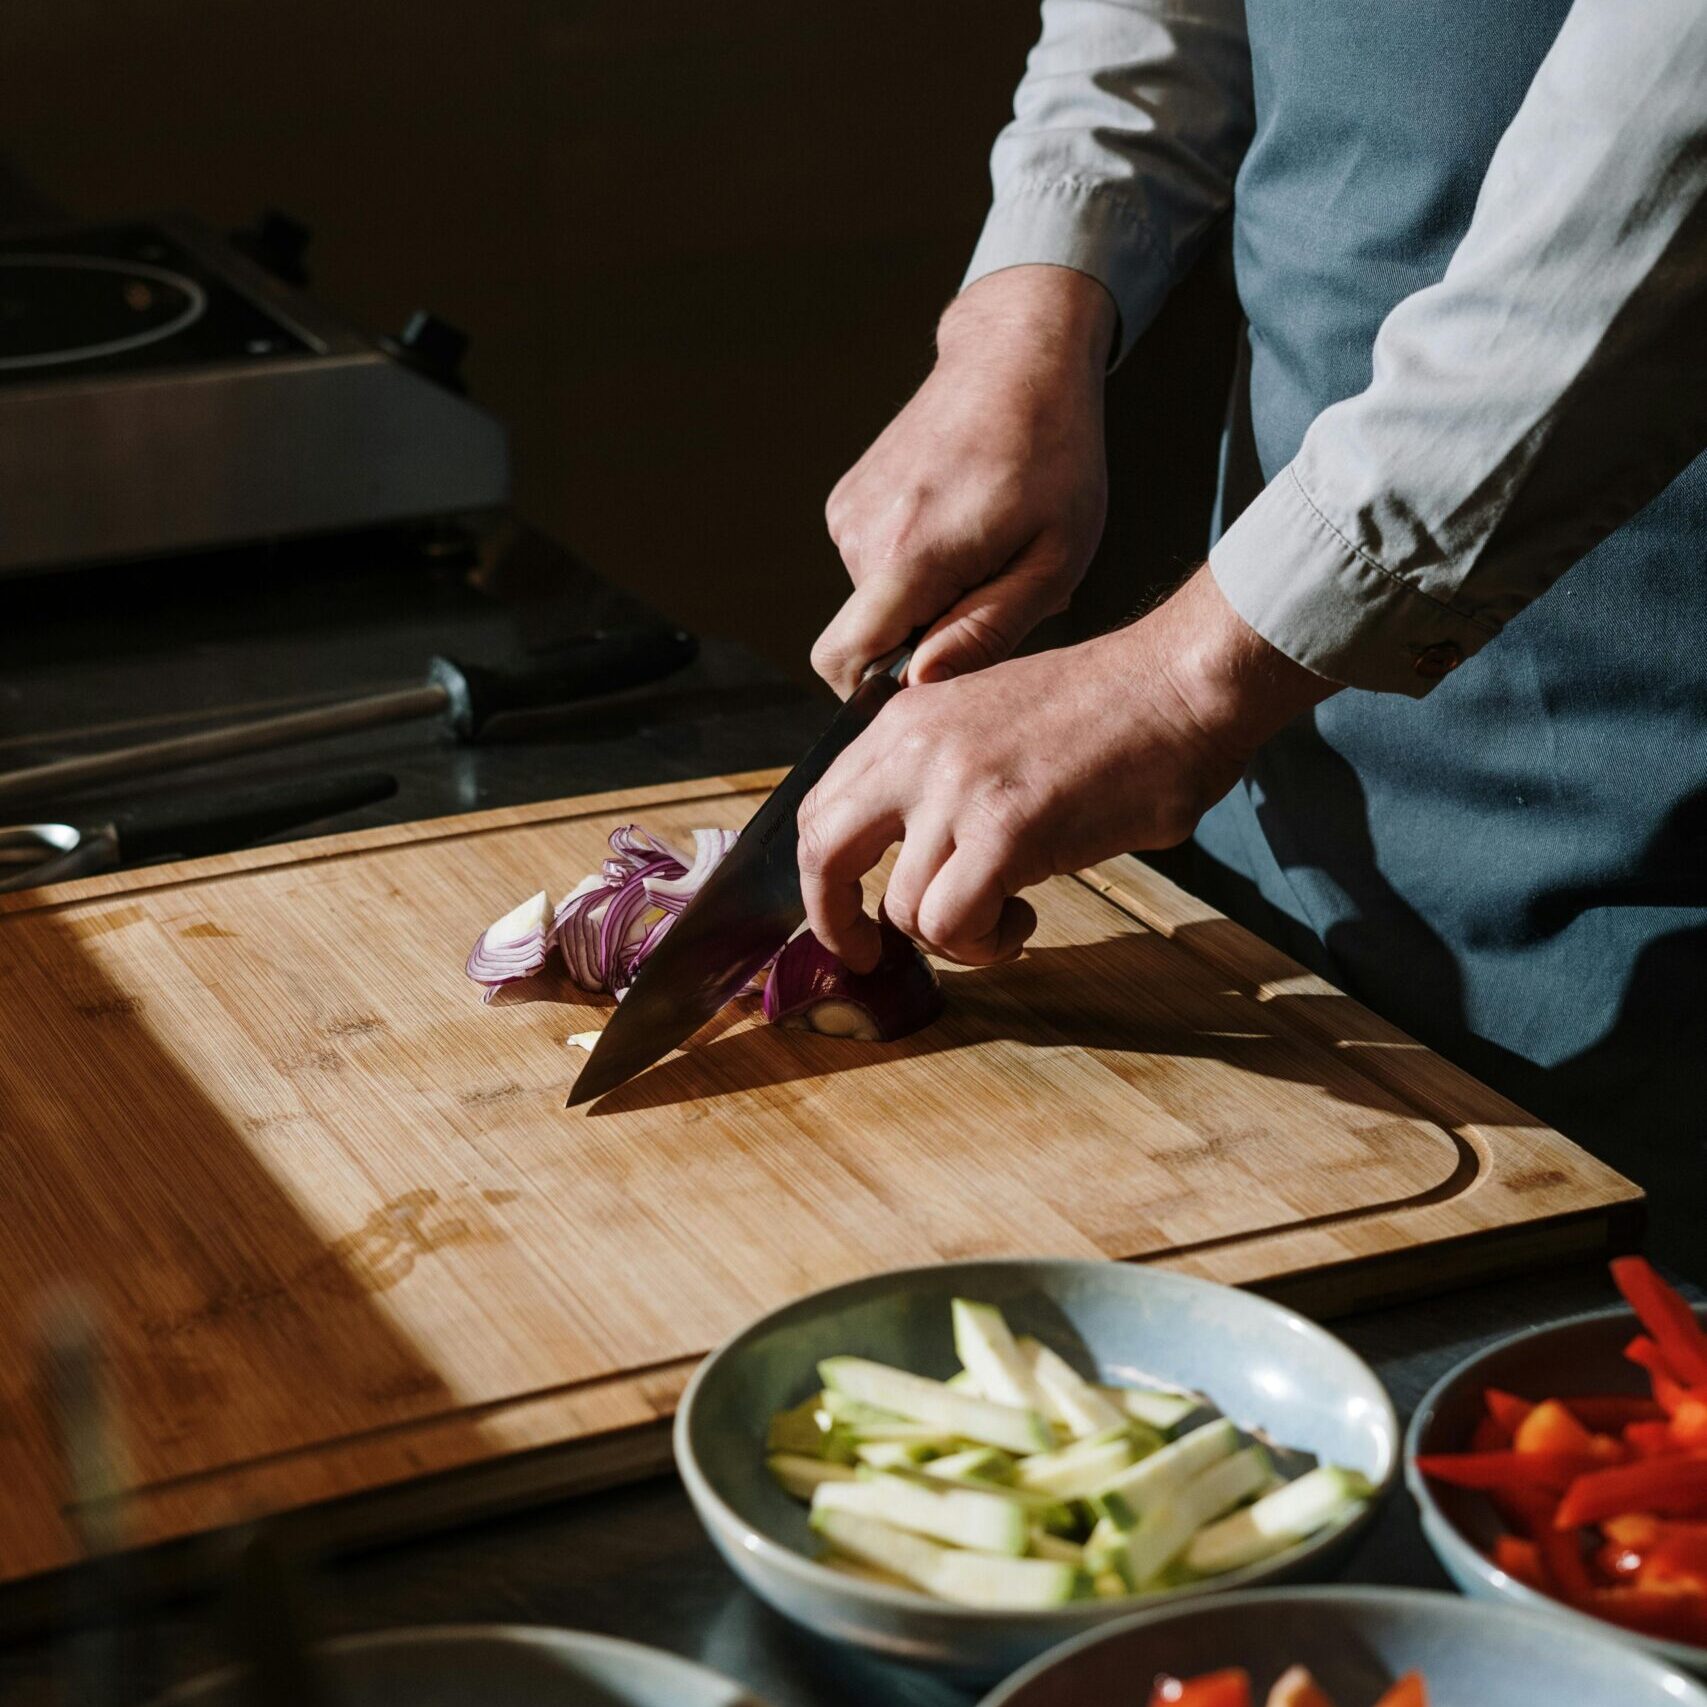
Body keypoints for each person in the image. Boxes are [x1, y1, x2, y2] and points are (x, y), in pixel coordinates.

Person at [794, 0, 1707, 1261]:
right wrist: (1021, 319)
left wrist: (1178, 682)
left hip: (1661, 838)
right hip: (1278, 809)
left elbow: (1678, 151)